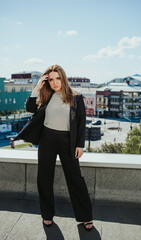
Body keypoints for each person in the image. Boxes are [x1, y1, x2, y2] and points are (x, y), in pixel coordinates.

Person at [20, 64, 93, 230]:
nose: (54, 82)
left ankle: (86, 216)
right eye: (51, 79)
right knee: (44, 179)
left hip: (68, 142)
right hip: (47, 140)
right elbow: (30, 108)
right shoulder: (46, 96)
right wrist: (37, 87)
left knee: (76, 180)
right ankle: (47, 215)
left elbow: (81, 123)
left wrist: (80, 145)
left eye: (57, 78)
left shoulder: (76, 97)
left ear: (63, 78)